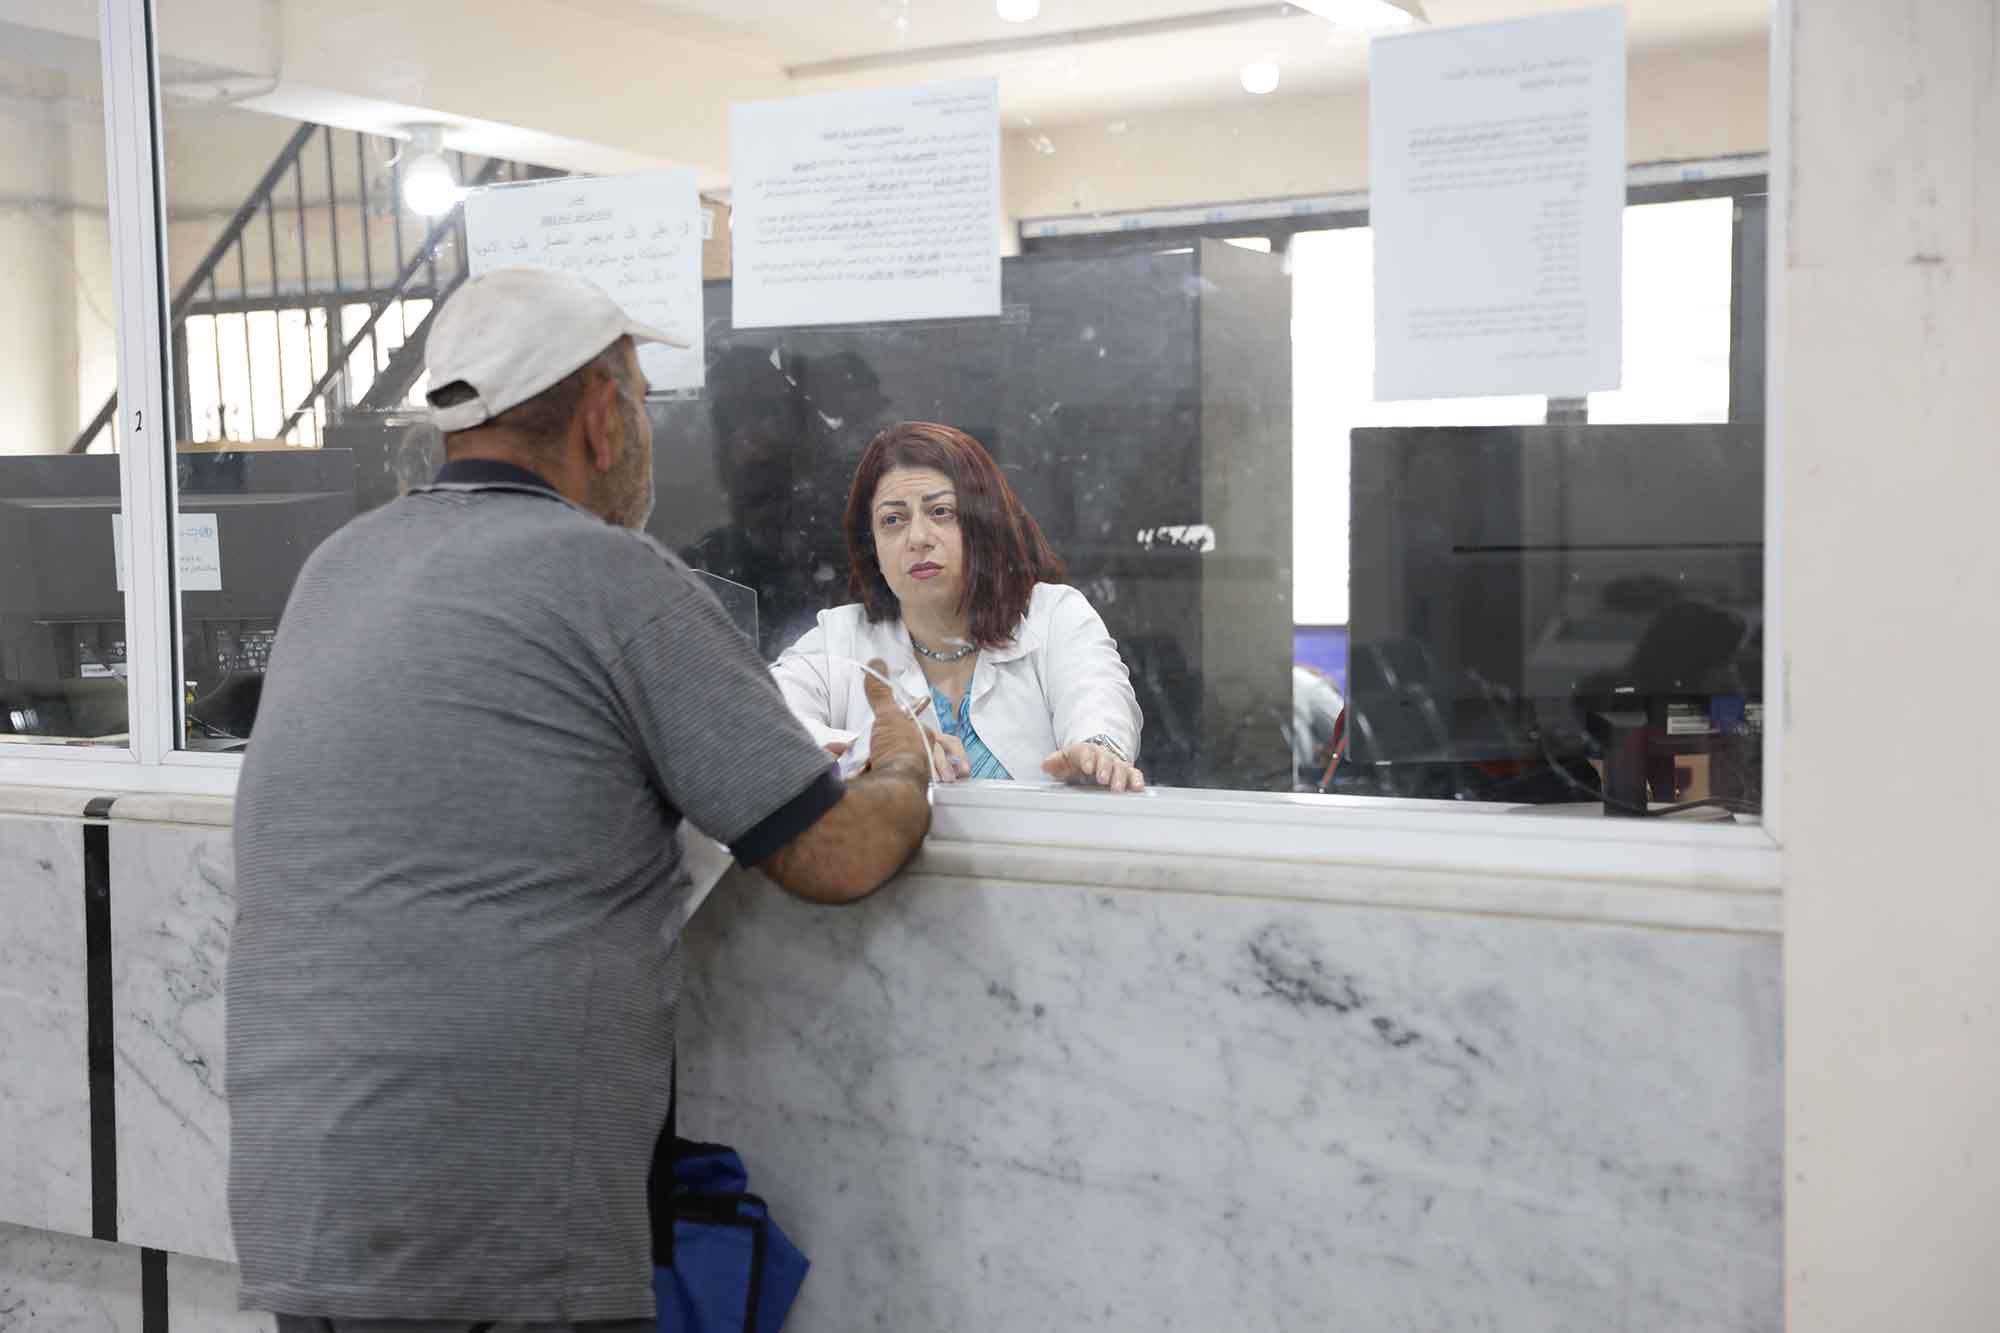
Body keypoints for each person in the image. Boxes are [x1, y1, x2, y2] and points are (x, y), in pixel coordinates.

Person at [225, 268, 933, 1333]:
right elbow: (830, 855)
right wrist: (904, 767)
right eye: (643, 399)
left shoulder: (339, 564)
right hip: (498, 1225)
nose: (648, 426)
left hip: (305, 1206)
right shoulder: (616, 577)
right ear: (602, 417)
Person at [773, 420, 1146, 792]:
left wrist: (1096, 751)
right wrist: (869, 752)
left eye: (941, 512)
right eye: (892, 520)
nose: (918, 538)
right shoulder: (841, 637)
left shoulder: (1053, 617)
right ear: (872, 546)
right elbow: (763, 715)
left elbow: (1098, 699)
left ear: (984, 526)